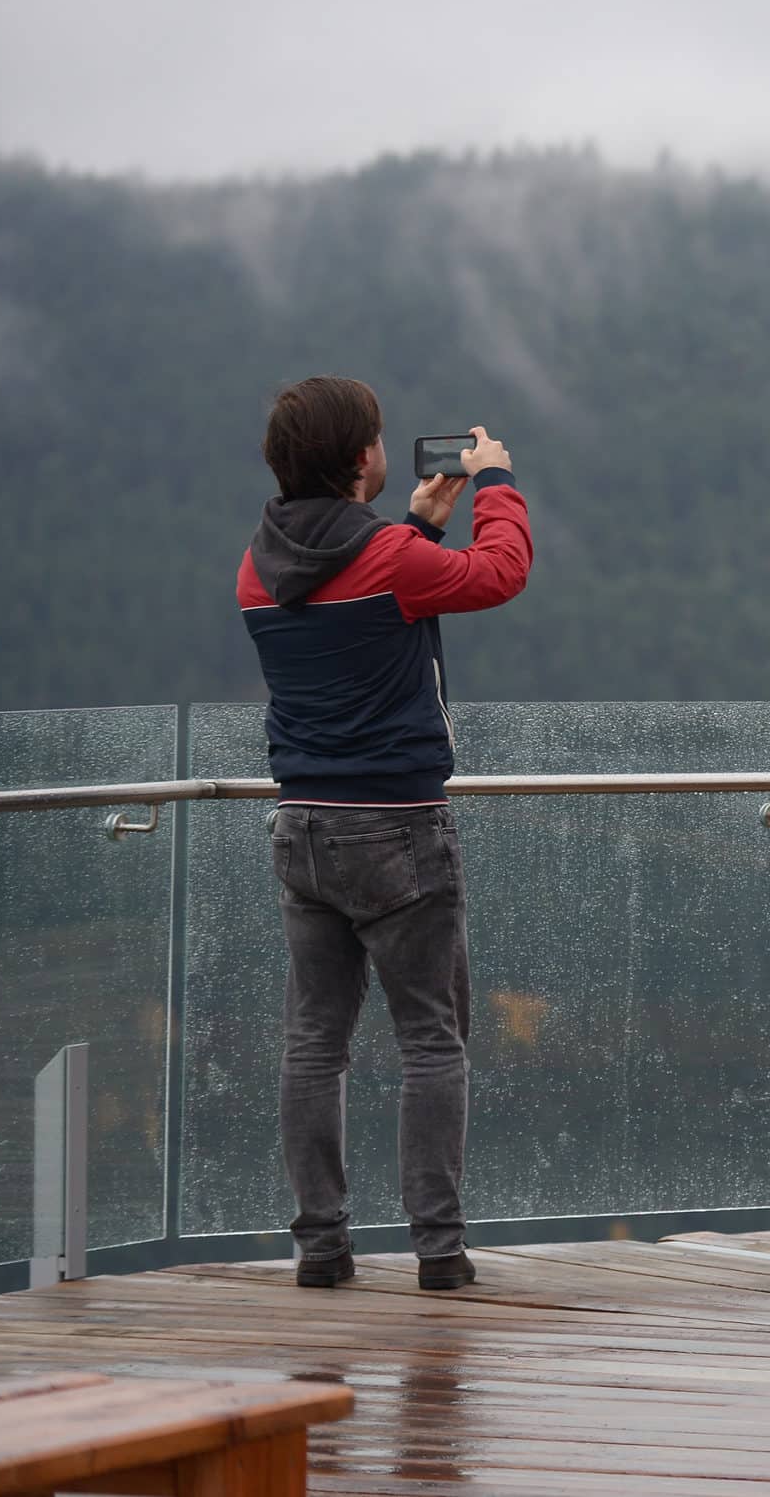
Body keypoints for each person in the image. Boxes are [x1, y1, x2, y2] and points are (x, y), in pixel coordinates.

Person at [235, 378, 531, 1289]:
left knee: (313, 1044)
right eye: (377, 438)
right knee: (431, 1040)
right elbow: (500, 574)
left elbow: (362, 605)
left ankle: (321, 1248)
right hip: (397, 829)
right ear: (360, 457)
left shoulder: (256, 565)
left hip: (302, 827)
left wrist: (417, 527)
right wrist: (496, 484)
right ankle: (438, 1253)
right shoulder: (392, 557)